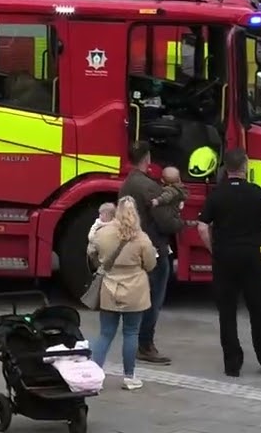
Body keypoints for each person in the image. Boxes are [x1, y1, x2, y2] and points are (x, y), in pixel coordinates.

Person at [196, 148, 261, 377]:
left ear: (226, 168)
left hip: (225, 257)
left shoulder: (217, 195)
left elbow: (202, 227)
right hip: (252, 255)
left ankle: (232, 364)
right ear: (245, 165)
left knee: (227, 311)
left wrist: (213, 249)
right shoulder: (257, 192)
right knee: (259, 310)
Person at [89, 196, 157, 390]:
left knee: (105, 334)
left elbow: (94, 255)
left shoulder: (103, 233)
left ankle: (94, 378)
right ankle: (129, 377)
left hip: (110, 287)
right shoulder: (142, 238)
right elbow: (150, 264)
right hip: (135, 290)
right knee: (131, 332)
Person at [119, 143, 173, 365]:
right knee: (154, 298)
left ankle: (137, 341)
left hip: (132, 247)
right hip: (153, 248)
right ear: (147, 158)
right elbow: (166, 221)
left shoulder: (127, 184)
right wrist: (178, 222)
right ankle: (146, 345)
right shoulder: (148, 186)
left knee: (139, 298)